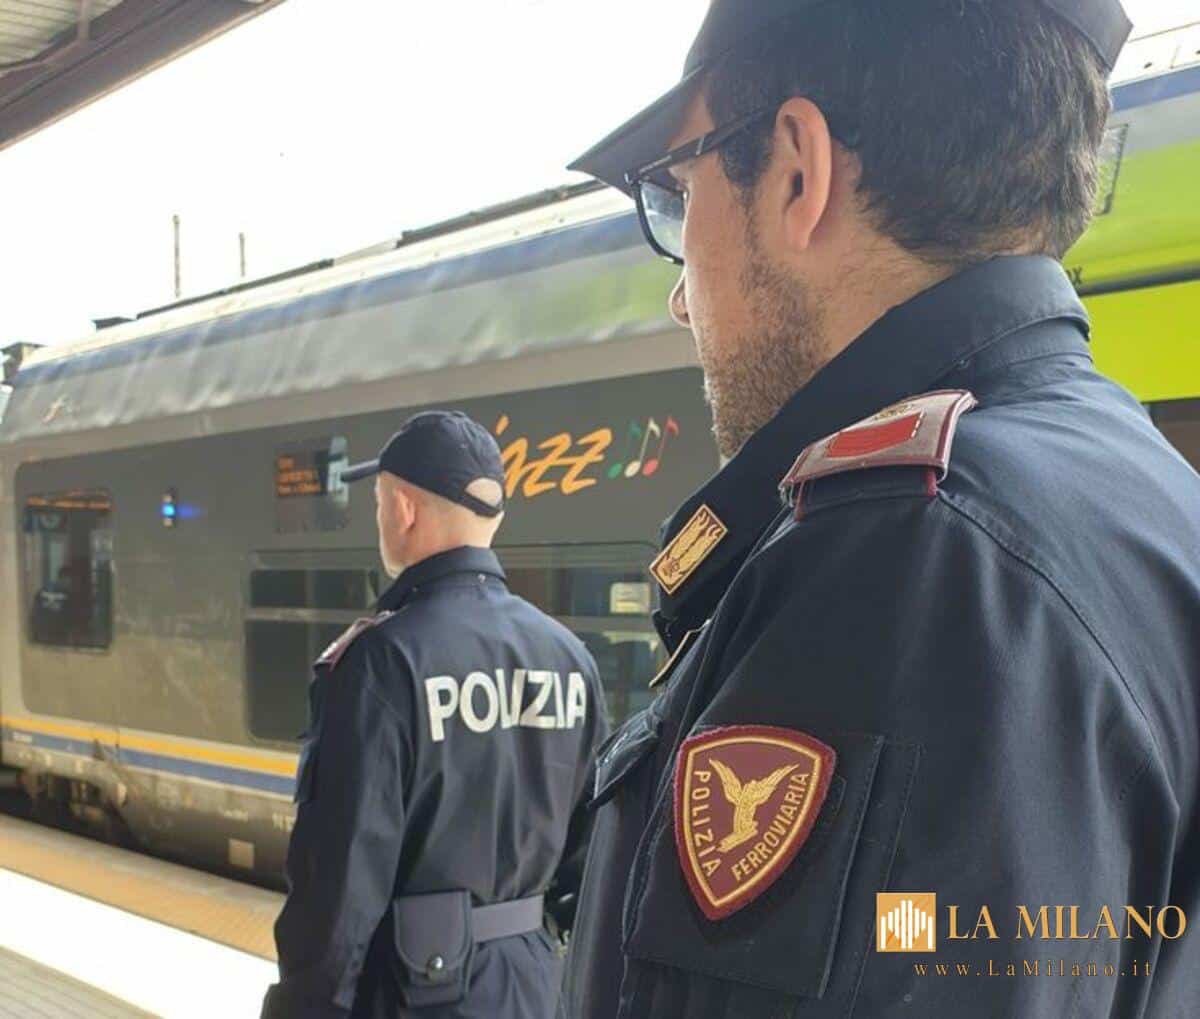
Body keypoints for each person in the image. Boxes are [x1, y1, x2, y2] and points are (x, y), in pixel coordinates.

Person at [560, 1, 1200, 1017]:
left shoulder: (909, 557)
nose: (683, 296)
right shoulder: (1149, 492)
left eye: (681, 194)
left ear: (799, 170)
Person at [261, 410, 609, 1019]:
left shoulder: (382, 662)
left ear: (401, 508)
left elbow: (339, 891)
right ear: (492, 517)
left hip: (410, 995)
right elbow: (591, 860)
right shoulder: (569, 658)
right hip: (532, 988)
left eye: (377, 504)